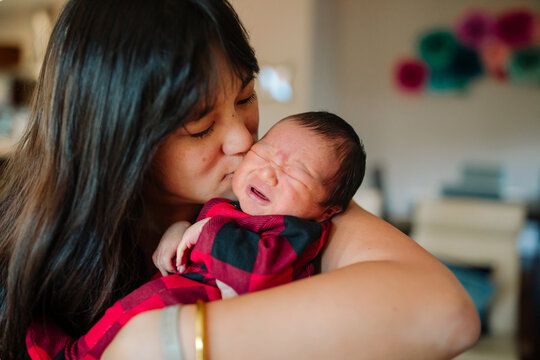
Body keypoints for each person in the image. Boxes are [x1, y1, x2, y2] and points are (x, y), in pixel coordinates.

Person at [0, 0, 480, 359]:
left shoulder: (272, 201)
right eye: (200, 126)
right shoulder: (21, 255)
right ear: (114, 137)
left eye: (247, 96)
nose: (243, 140)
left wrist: (166, 341)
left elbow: (446, 312)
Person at [152, 112, 365, 299]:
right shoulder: (230, 205)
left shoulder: (295, 235)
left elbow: (257, 274)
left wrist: (207, 230)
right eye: (262, 154)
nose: (266, 173)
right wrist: (179, 230)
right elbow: (197, 234)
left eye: (294, 174)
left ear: (326, 211)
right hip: (154, 306)